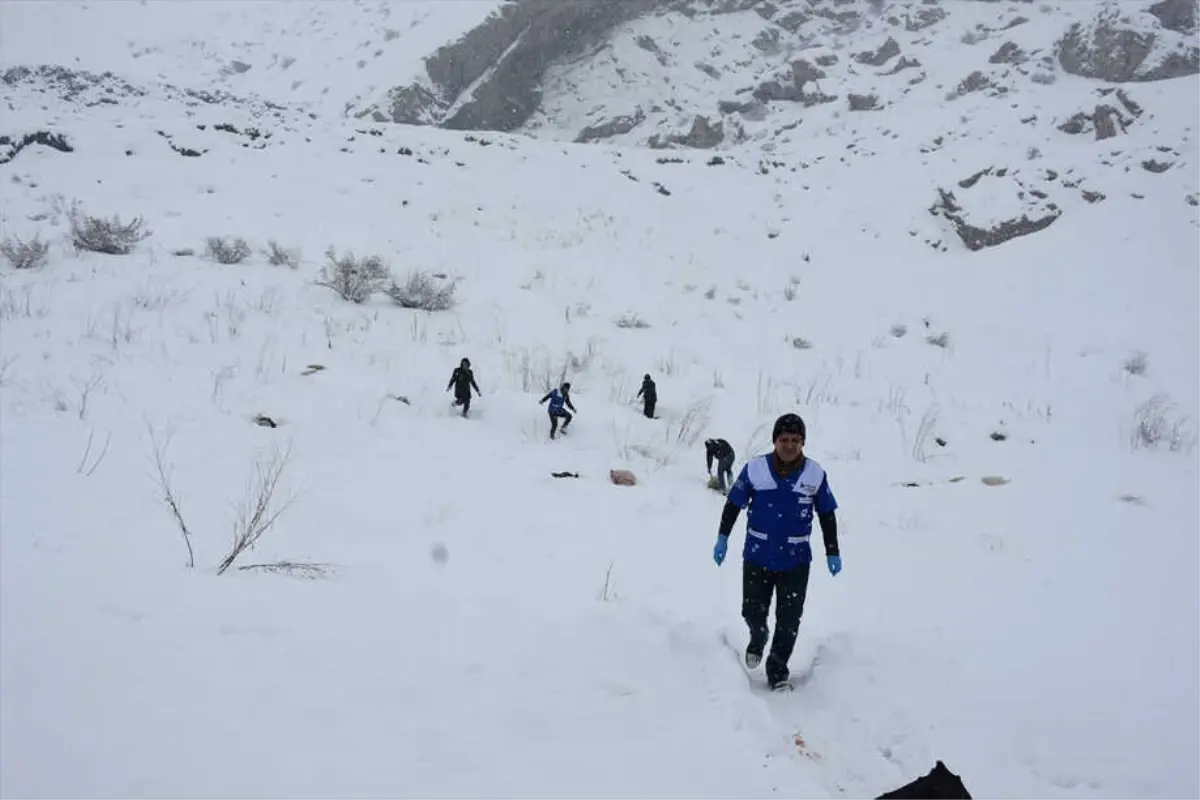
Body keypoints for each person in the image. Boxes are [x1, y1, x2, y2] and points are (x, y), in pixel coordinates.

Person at [711, 413, 842, 691]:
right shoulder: (755, 469)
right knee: (752, 611)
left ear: (803, 443)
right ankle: (758, 636)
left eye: (796, 440)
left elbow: (827, 514)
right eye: (784, 439)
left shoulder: (814, 474)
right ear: (775, 441)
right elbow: (734, 504)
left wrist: (833, 551)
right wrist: (723, 537)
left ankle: (777, 670)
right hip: (758, 555)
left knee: (789, 619)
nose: (789, 445)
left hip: (795, 561)